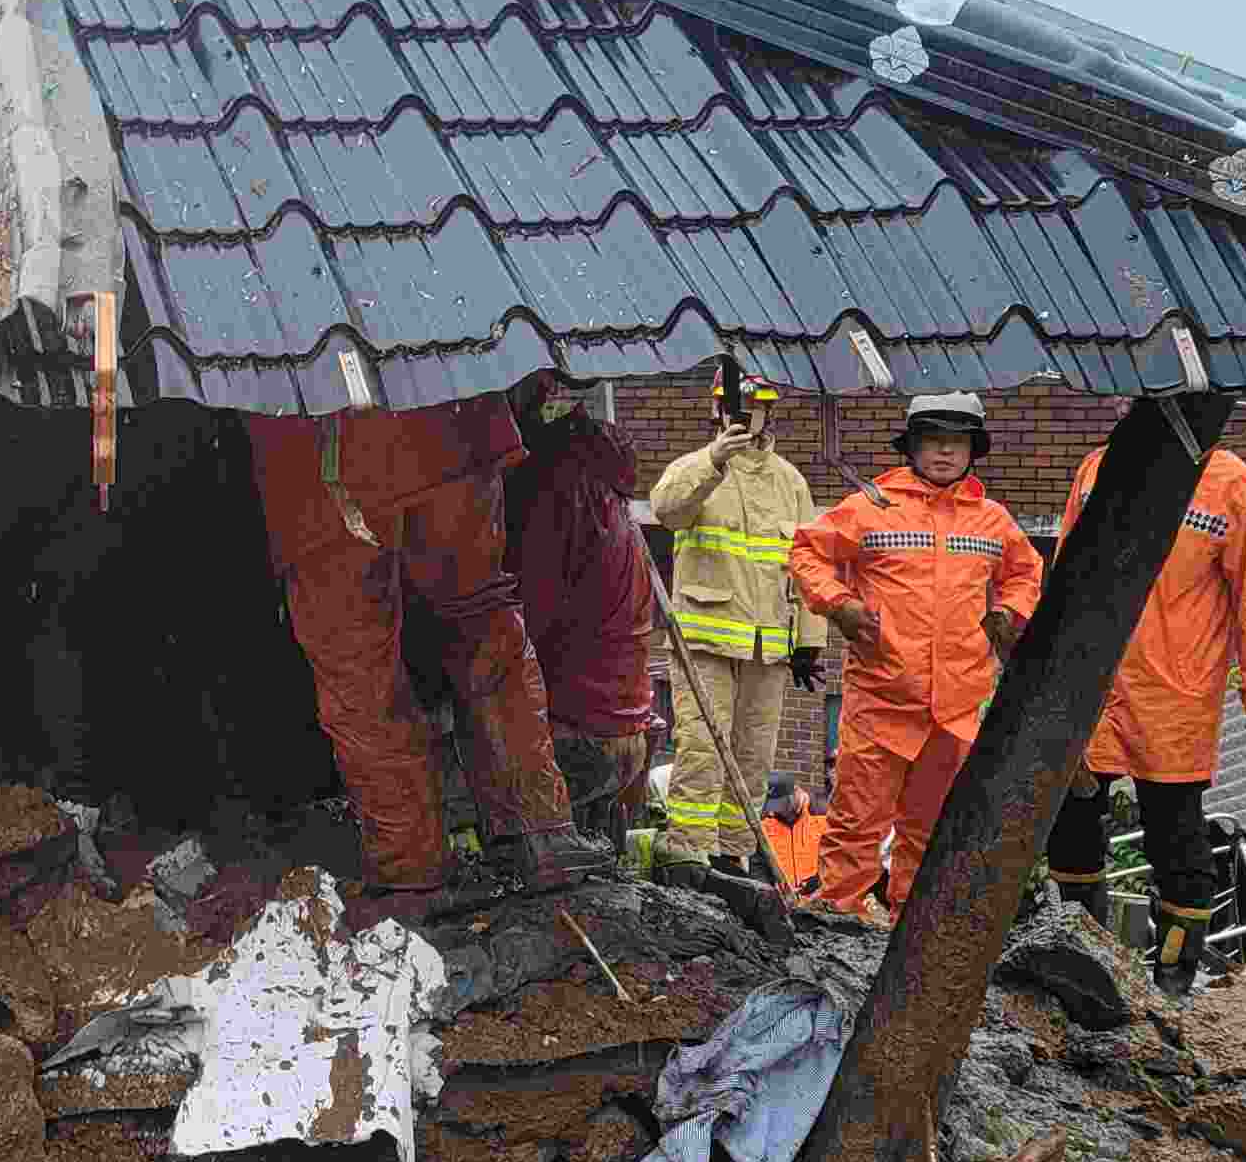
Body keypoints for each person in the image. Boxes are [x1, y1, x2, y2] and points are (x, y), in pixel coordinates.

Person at [245, 394, 606, 907]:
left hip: (317, 459)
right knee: (480, 613)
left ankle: (410, 864)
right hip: (446, 421)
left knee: (357, 663)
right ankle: (541, 829)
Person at [1046, 435, 1246, 995]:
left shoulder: (1235, 486)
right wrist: (1047, 669)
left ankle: (1172, 978)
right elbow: (1065, 569)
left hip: (1174, 692)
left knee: (1176, 836)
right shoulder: (1099, 465)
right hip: (1092, 683)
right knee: (1071, 819)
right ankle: (1079, 961)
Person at [785, 392, 1043, 918]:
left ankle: (910, 928)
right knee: (857, 821)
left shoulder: (992, 520)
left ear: (974, 450)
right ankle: (837, 917)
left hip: (955, 707)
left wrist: (1009, 611)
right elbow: (807, 552)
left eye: (957, 442)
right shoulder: (871, 506)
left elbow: (1026, 572)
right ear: (912, 448)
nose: (945, 453)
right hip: (883, 698)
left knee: (932, 829)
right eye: (933, 441)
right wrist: (841, 606)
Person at [643, 363, 819, 874]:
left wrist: (808, 640)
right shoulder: (696, 469)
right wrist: (712, 462)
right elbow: (666, 509)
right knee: (701, 749)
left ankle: (733, 858)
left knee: (752, 758)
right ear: (716, 411)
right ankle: (687, 855)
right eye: (735, 408)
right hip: (705, 642)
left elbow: (809, 564)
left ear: (768, 414)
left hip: (769, 648)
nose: (745, 418)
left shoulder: (791, 483)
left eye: (755, 409)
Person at [506, 372, 660, 847]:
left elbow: (525, 620)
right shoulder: (607, 494)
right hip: (625, 728)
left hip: (579, 732)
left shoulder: (560, 492)